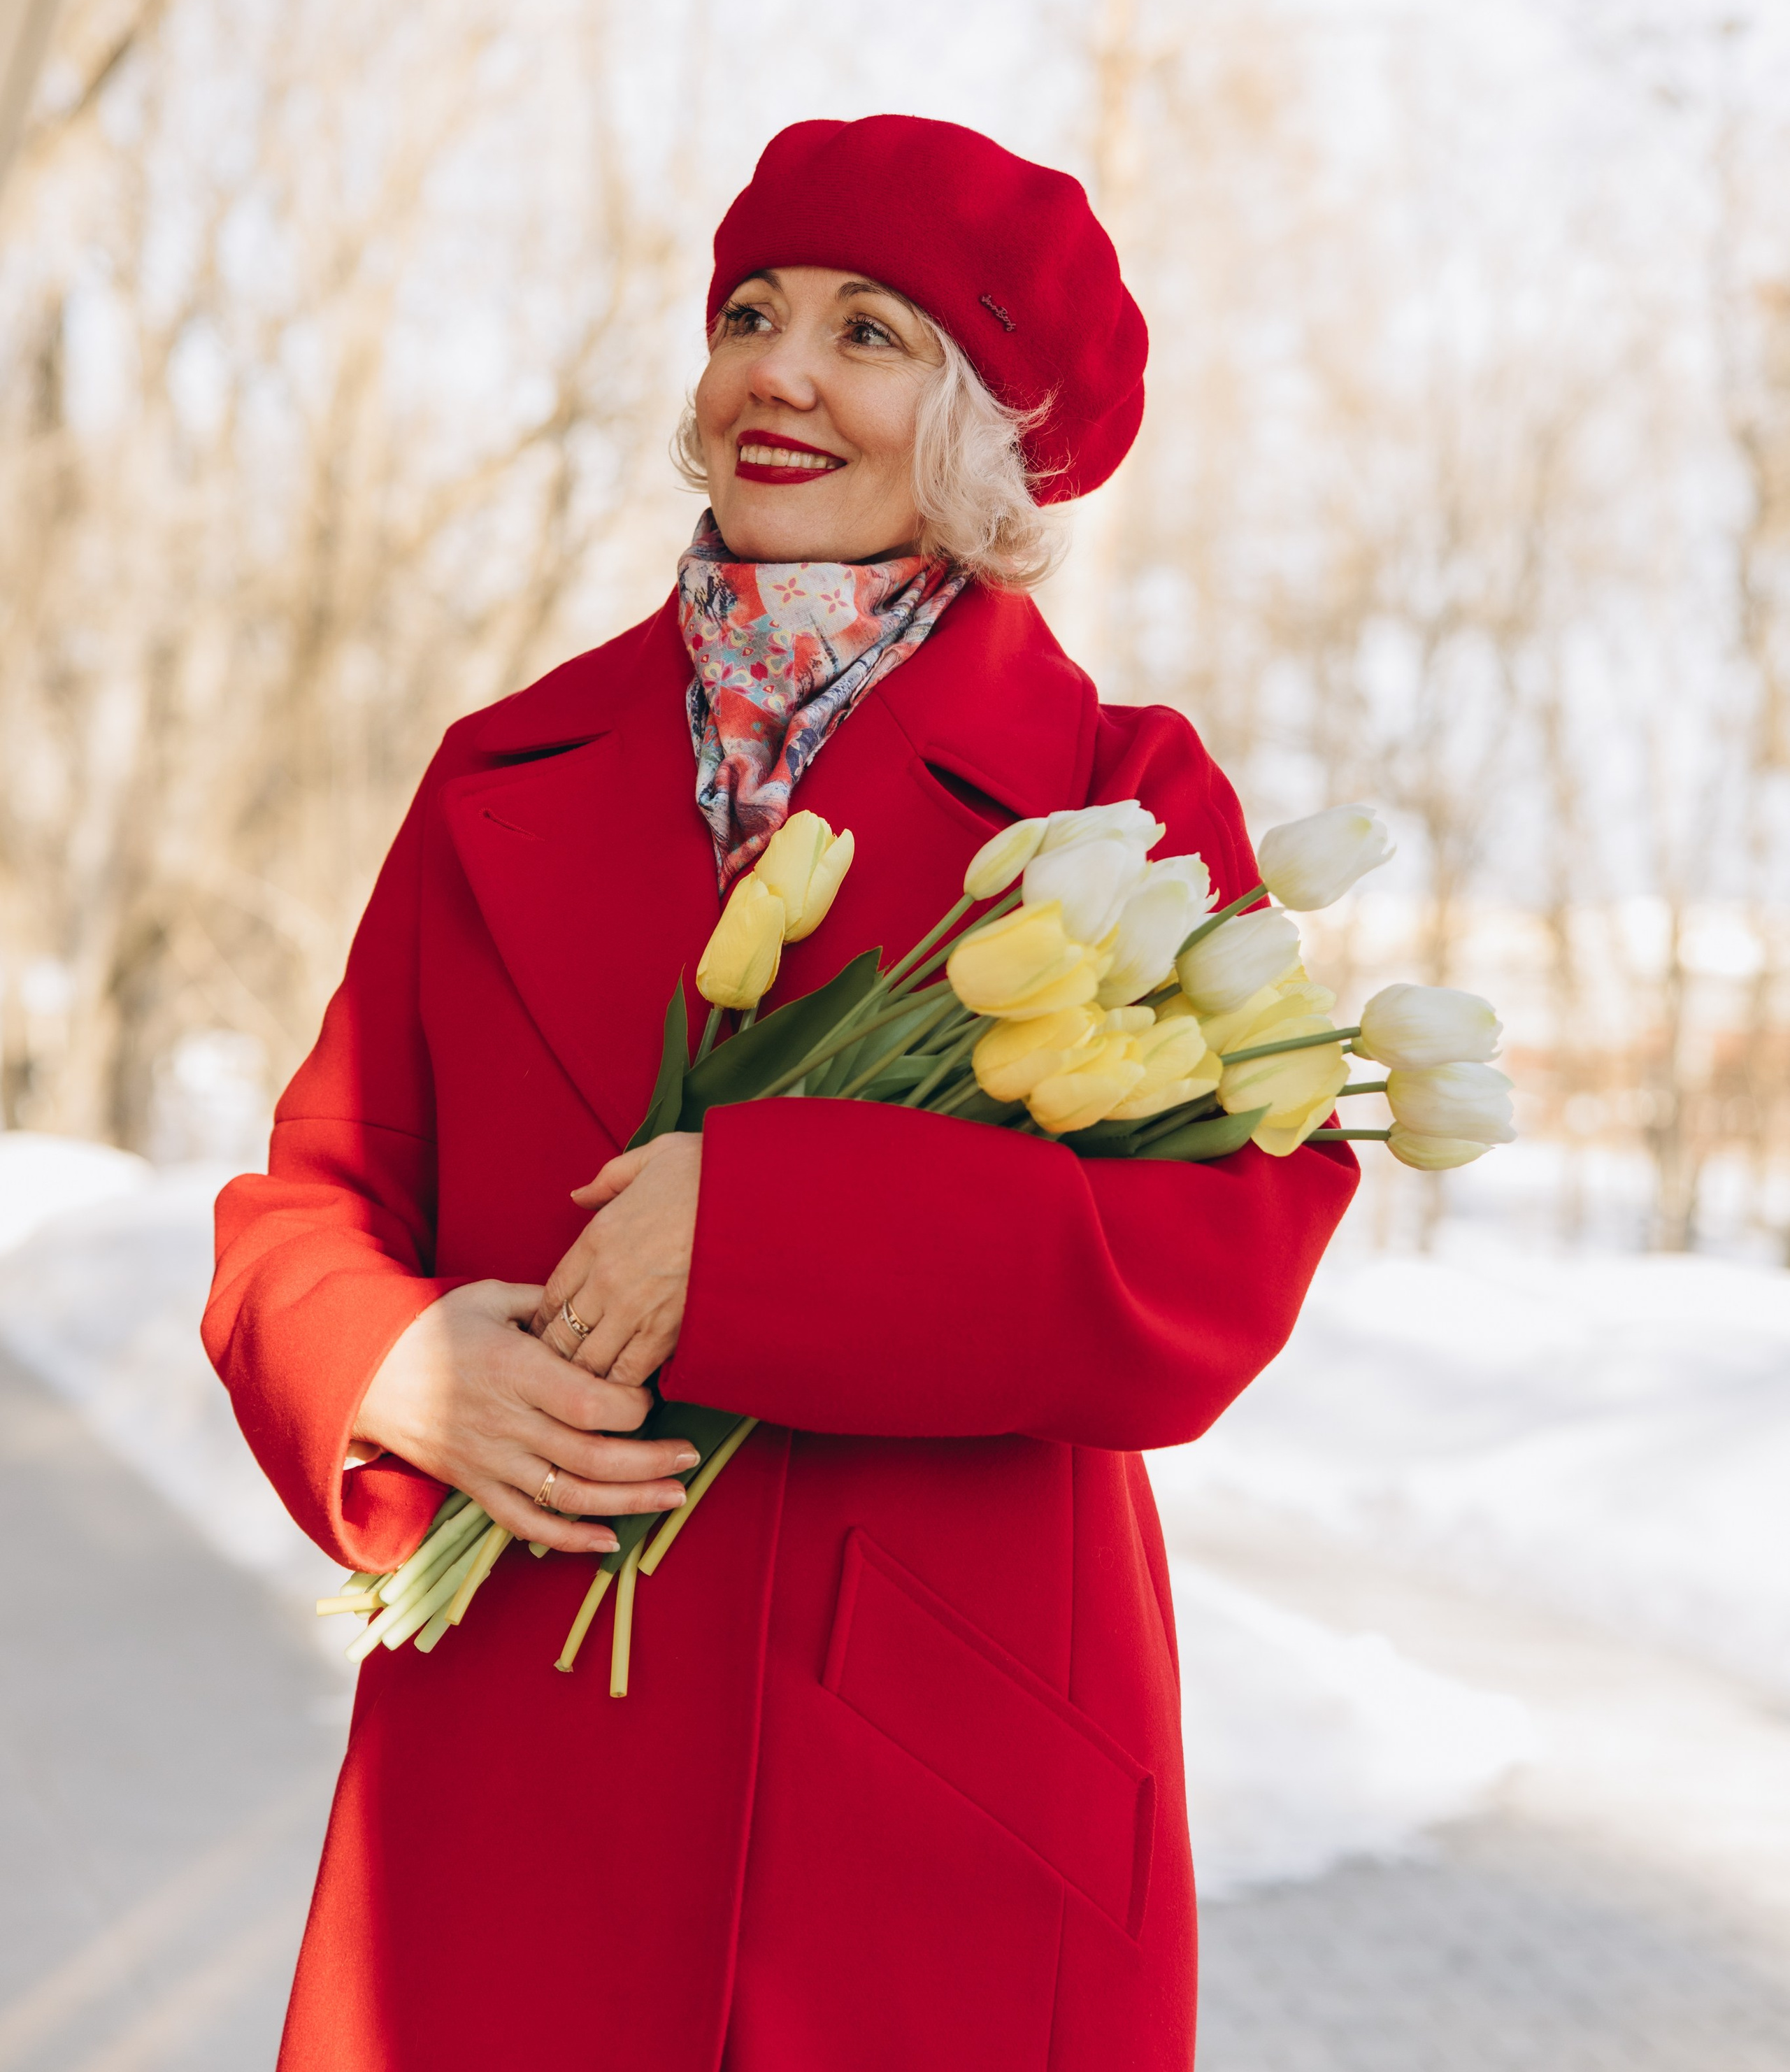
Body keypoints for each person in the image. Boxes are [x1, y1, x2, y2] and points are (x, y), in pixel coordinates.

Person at [203, 114, 1356, 2072]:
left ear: (989, 424)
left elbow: (1226, 1252)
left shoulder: (1122, 801)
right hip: (517, 1764)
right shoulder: (500, 772)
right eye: (751, 311)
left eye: (871, 330)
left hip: (928, 1798)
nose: (780, 371)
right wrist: (386, 1366)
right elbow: (314, 1196)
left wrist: (764, 1233)